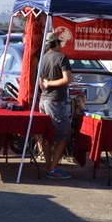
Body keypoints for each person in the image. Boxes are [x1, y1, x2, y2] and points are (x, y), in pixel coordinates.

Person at [38, 31, 73, 179]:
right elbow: (67, 79)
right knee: (63, 136)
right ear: (56, 43)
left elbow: (40, 81)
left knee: (47, 135)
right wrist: (50, 83)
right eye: (60, 42)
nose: (61, 45)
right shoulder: (62, 58)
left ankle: (49, 166)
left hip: (43, 100)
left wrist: (46, 84)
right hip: (56, 101)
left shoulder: (43, 58)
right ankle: (52, 169)